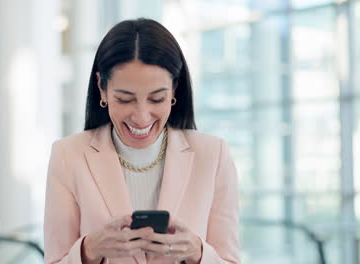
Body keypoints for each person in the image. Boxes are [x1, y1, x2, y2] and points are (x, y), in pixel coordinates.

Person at [44, 18, 240, 264]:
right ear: (102, 89)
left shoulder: (213, 155)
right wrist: (88, 251)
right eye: (125, 99)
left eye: (156, 98)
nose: (141, 117)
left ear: (175, 91)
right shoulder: (68, 156)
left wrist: (198, 253)